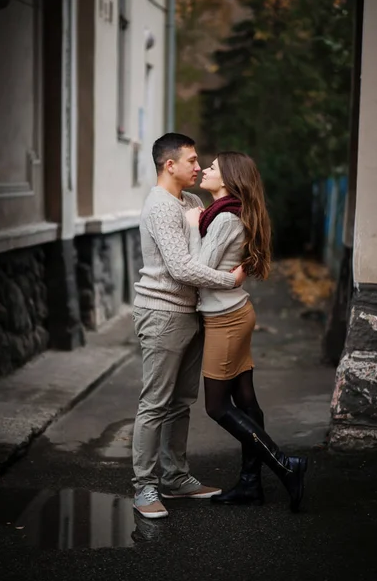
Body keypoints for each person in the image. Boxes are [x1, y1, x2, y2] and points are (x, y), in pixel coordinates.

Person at [185, 151, 307, 512]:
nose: (205, 169)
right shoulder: (228, 213)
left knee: (218, 407)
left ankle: (286, 466)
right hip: (234, 312)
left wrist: (192, 228)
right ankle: (250, 484)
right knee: (245, 400)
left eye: (212, 167)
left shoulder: (222, 219)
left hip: (225, 319)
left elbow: (196, 268)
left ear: (227, 179)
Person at [132, 134, 246, 519]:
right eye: (193, 160)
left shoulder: (193, 202)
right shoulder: (161, 207)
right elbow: (182, 269)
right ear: (170, 165)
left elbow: (204, 256)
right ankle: (144, 487)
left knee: (181, 402)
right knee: (155, 403)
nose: (199, 167)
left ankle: (175, 478)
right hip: (162, 312)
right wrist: (230, 281)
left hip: (191, 312)